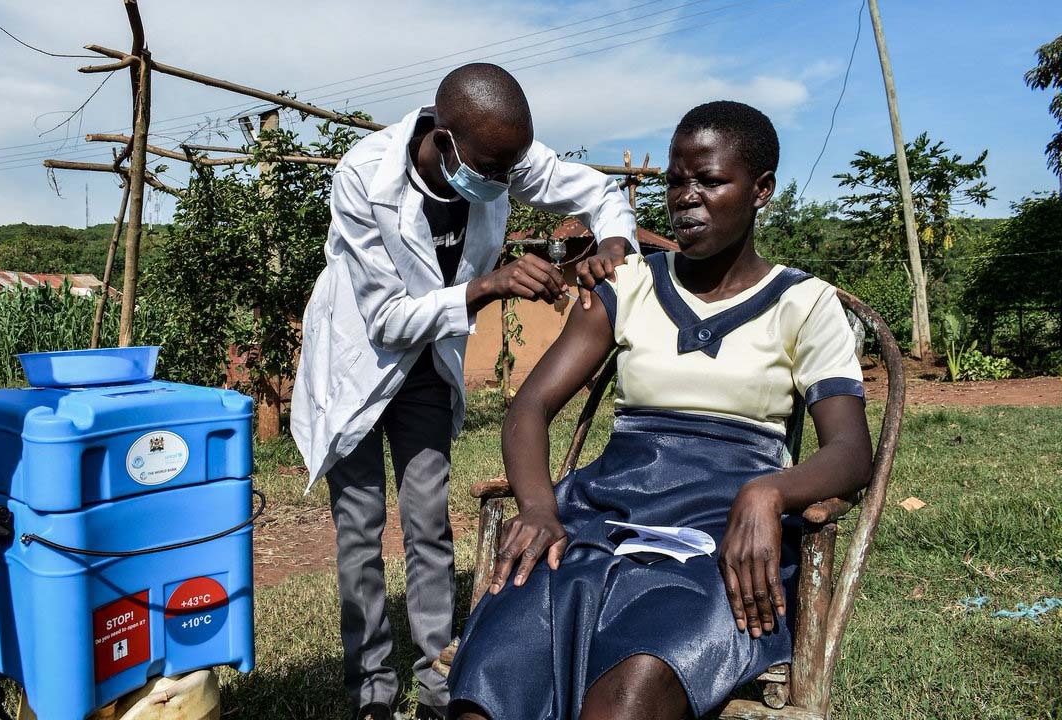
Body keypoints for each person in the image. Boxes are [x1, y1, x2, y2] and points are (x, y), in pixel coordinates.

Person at [446, 101, 874, 720]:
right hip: (604, 514)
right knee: (494, 678)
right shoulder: (629, 285)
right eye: (676, 181)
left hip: (720, 537)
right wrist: (540, 509)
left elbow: (850, 452)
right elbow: (531, 406)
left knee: (633, 690)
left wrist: (767, 493)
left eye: (709, 180)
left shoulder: (803, 305)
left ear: (762, 191)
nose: (686, 198)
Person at [290, 62, 638, 720]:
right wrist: (490, 285)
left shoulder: (498, 155)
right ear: (445, 142)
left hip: (426, 368)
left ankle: (435, 683)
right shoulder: (364, 177)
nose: (504, 184)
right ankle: (369, 689)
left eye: (512, 169)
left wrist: (613, 240)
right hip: (357, 367)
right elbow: (388, 317)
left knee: (427, 525)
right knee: (360, 531)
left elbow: (598, 190)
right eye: (492, 169)